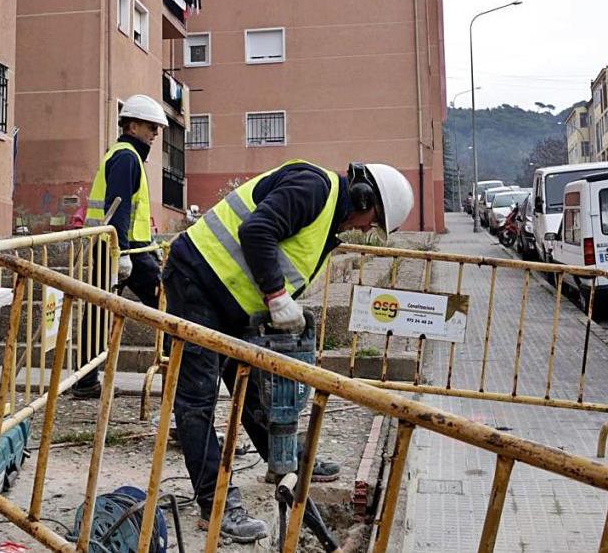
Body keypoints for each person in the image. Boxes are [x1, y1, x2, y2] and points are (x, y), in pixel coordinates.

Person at [162, 160, 414, 542]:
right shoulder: (313, 189)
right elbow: (257, 231)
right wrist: (278, 298)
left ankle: (284, 462)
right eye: (372, 219)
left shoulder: (329, 223)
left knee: (254, 394)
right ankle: (215, 506)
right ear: (363, 196)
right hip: (197, 279)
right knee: (196, 401)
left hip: (233, 302)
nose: (366, 228)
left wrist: (275, 301)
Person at [72, 95, 169, 398]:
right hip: (126, 251)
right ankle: (180, 371)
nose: (155, 133)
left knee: (98, 311)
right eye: (151, 127)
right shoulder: (127, 157)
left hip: (114, 248)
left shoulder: (124, 155)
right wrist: (123, 253)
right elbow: (121, 208)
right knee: (168, 305)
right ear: (133, 125)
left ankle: (86, 381)